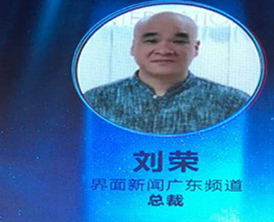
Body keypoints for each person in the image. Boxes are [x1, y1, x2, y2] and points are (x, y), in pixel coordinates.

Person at [83, 11, 250, 134]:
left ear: (195, 48)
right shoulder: (94, 101)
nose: (164, 50)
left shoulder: (234, 103)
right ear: (133, 47)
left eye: (178, 41)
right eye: (151, 41)